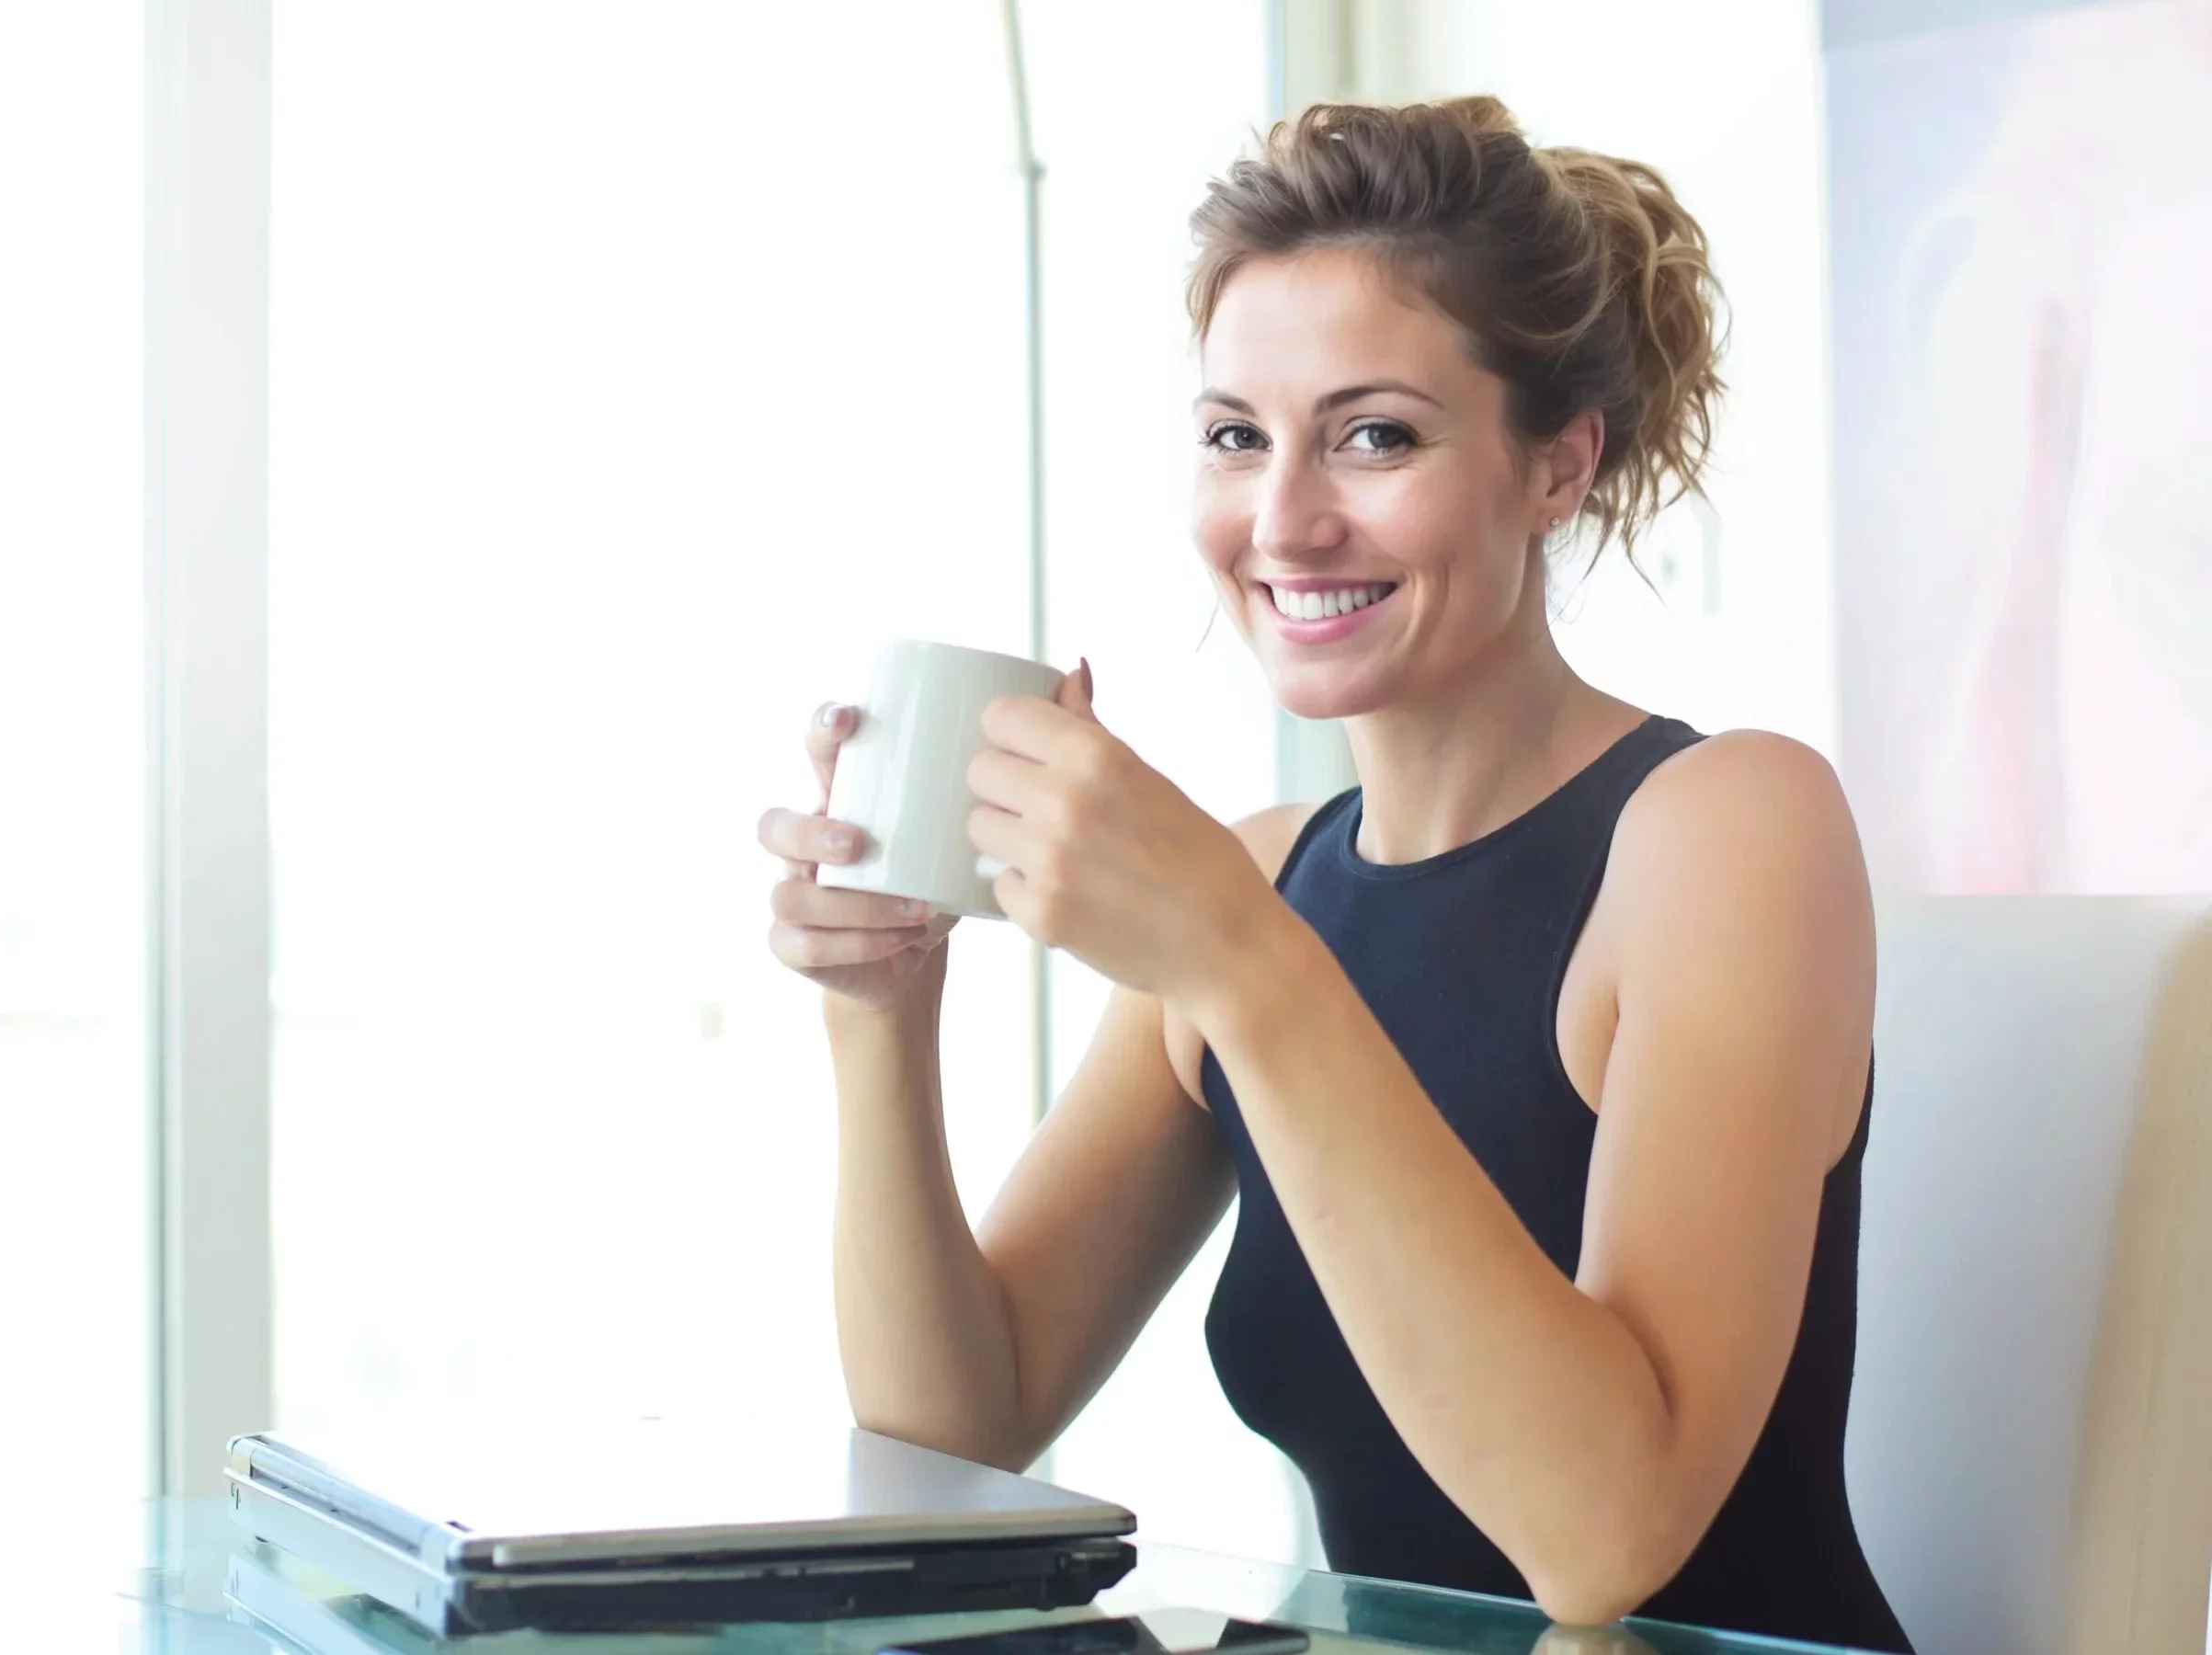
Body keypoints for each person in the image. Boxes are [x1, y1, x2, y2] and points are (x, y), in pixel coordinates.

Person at [756, 98, 1910, 1652]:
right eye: (1239, 434)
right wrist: (879, 1019)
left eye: (1376, 435)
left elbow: (1603, 1541)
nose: (1284, 520)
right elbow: (956, 1434)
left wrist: (1238, 963)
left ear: (1558, 466)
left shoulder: (1725, 829)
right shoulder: (1264, 878)